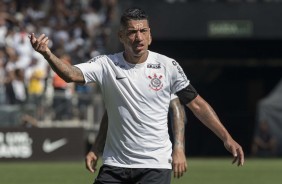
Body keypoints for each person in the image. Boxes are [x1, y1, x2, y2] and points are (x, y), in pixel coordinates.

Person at [29, 7, 244, 184]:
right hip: (115, 166)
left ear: (150, 35)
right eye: (132, 32)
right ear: (121, 36)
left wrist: (226, 138)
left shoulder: (167, 66)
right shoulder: (106, 64)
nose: (138, 37)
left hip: (155, 165)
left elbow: (196, 104)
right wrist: (48, 54)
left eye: (143, 31)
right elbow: (72, 76)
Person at [85, 95, 187, 179]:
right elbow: (111, 112)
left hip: (154, 162)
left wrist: (179, 149)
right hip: (116, 161)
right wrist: (95, 148)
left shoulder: (161, 72)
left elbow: (176, 107)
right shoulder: (115, 72)